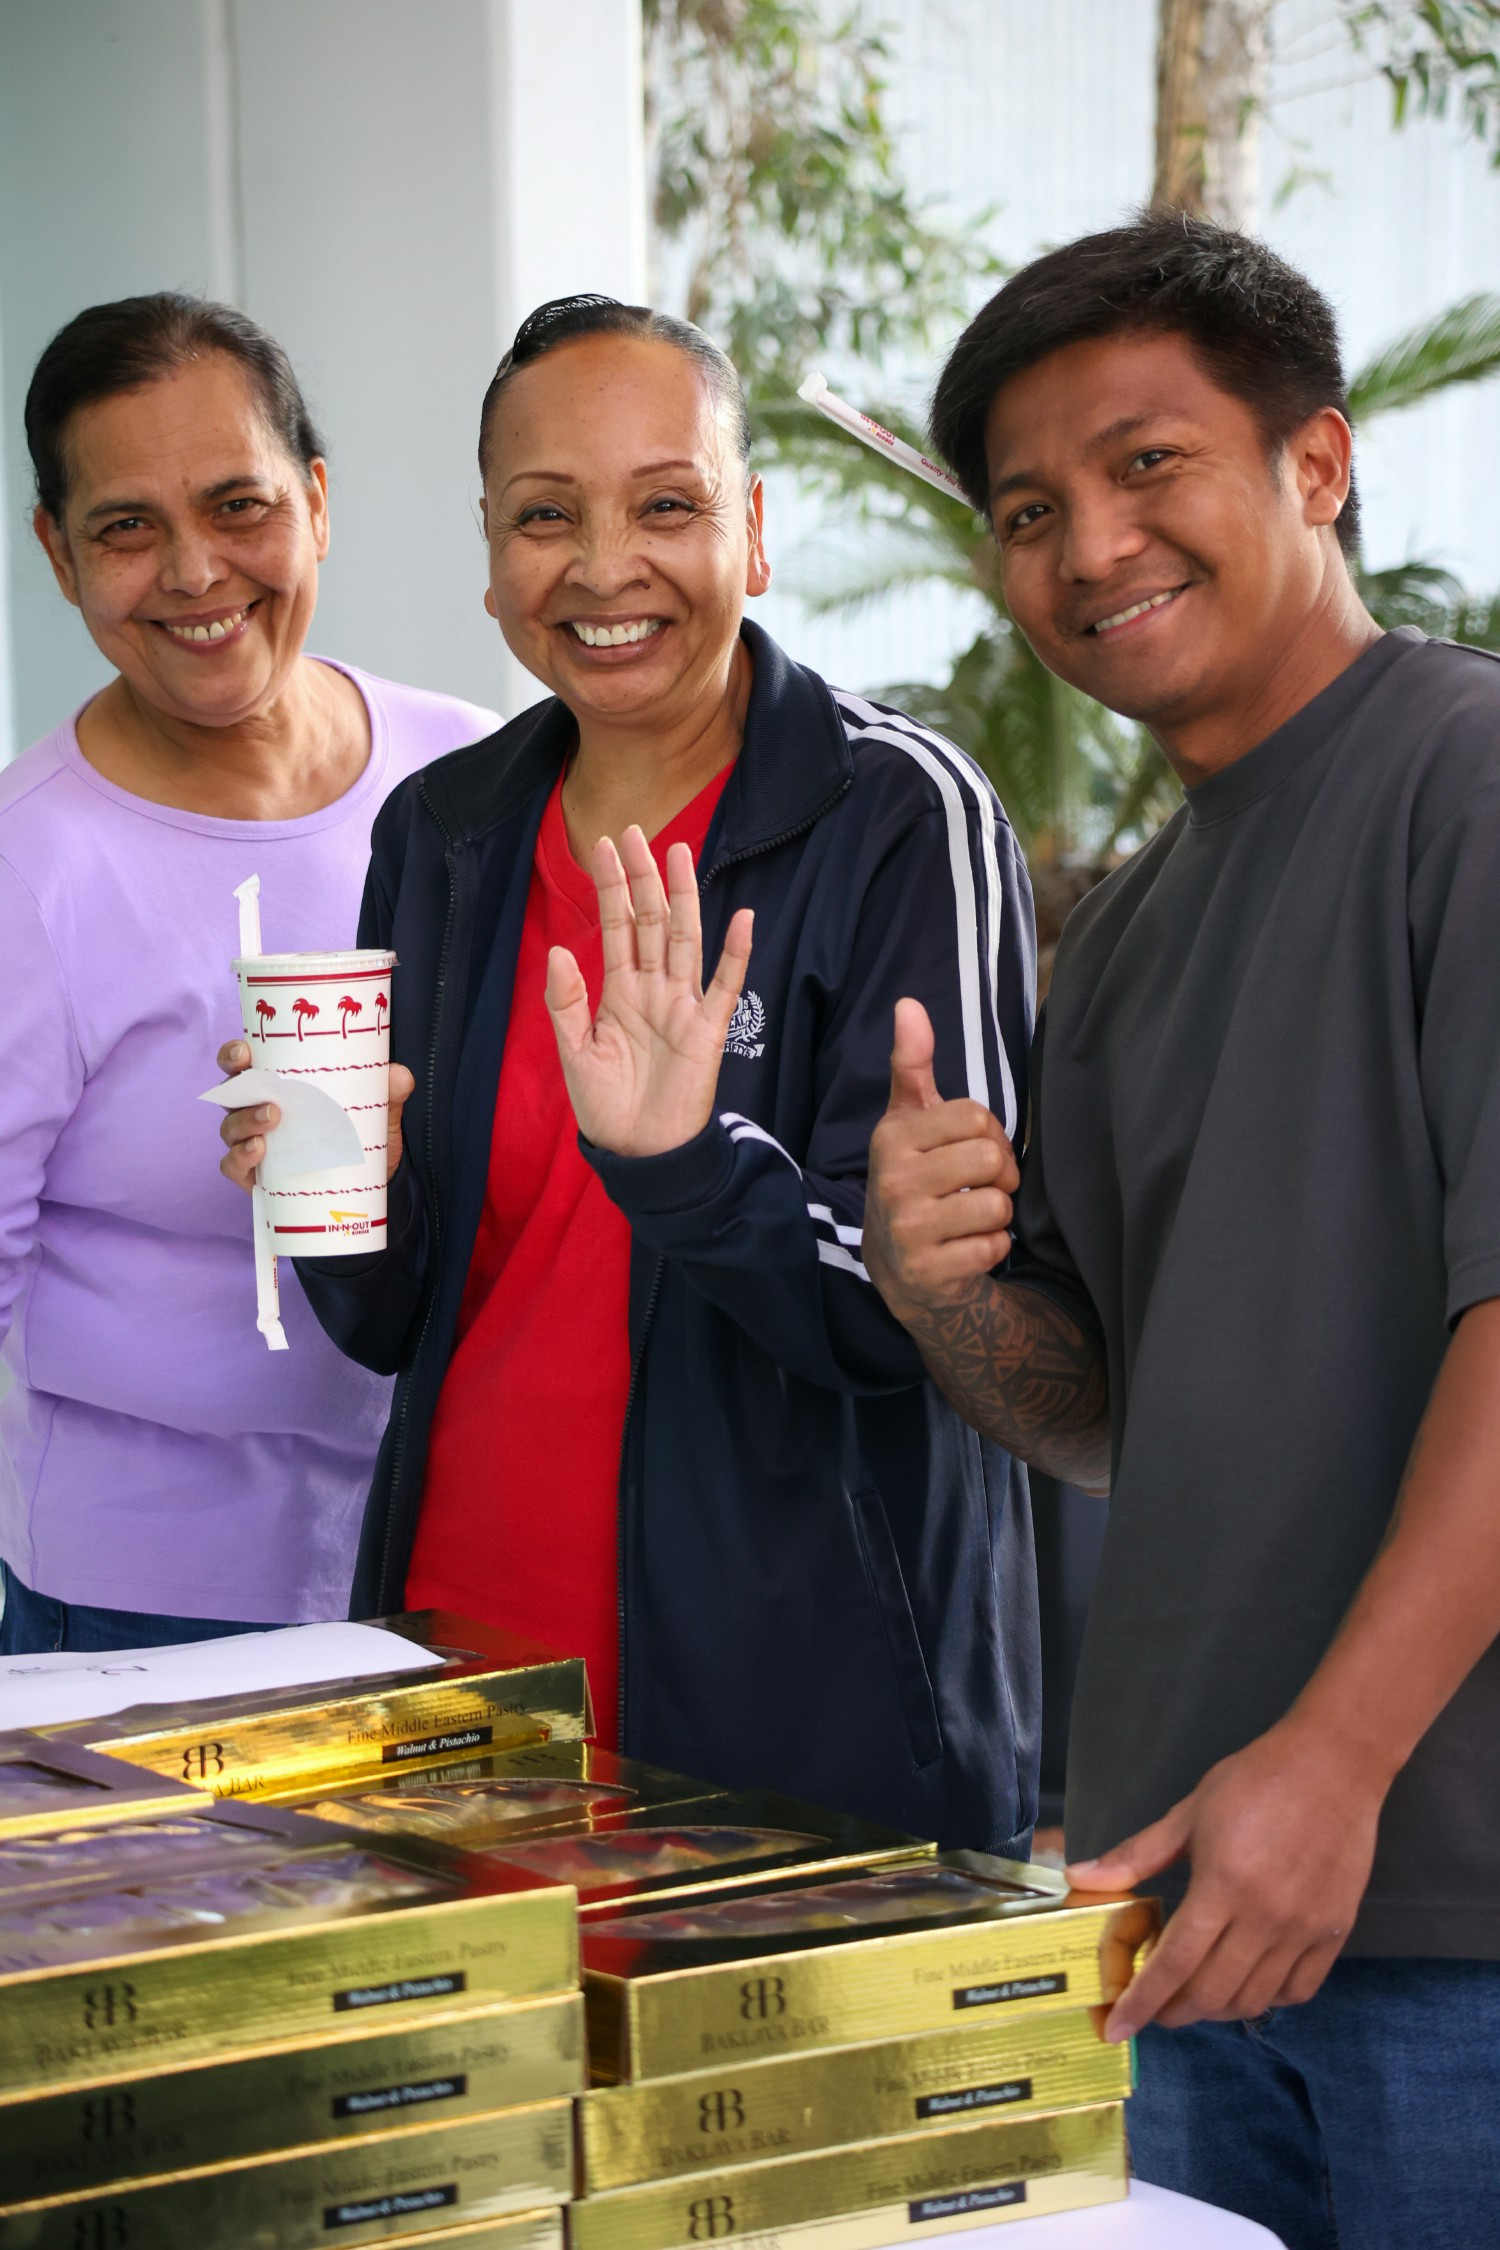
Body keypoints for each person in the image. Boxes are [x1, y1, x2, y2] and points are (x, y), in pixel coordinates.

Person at [863, 215, 1500, 2250]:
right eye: (1031, 508)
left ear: (1314, 467)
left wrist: (1336, 1760)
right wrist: (937, 1287)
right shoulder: (1129, 928)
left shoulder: (1468, 782)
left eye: (1151, 465)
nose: (1089, 545)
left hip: (1449, 1905)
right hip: (1179, 1901)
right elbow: (1105, 1415)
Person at [220, 294, 1038, 1847]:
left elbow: (937, 1314)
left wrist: (686, 1166)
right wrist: (336, 1188)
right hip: (466, 1685)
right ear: (489, 553)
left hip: (793, 1726)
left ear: (754, 531)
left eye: (669, 505)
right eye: (546, 516)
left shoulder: (893, 818)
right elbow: (397, 1324)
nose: (604, 568)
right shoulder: (446, 830)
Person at [0, 294, 497, 1656]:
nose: (194, 570)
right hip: (135, 1599)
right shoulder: (27, 865)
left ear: (318, 502)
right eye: (125, 527)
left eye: (238, 504)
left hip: (444, 1556)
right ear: (58, 553)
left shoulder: (471, 778)